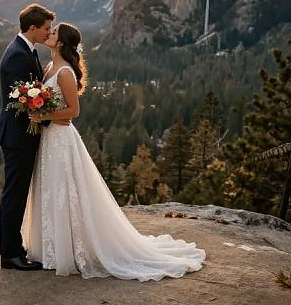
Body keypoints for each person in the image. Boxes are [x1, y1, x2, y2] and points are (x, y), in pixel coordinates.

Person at [23, 22, 206, 280]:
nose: (48, 33)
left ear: (61, 42)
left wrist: (42, 114)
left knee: (65, 191)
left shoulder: (64, 72)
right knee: (51, 189)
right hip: (49, 137)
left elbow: (74, 112)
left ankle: (69, 251)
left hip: (61, 139)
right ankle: (51, 248)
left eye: (53, 32)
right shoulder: (51, 66)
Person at [0, 4, 70, 271]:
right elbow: (23, 102)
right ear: (32, 28)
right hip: (17, 137)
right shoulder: (18, 55)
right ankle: (10, 255)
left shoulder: (25, 50)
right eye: (46, 28)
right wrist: (48, 117)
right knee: (14, 194)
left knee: (17, 193)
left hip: (21, 136)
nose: (49, 32)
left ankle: (15, 250)